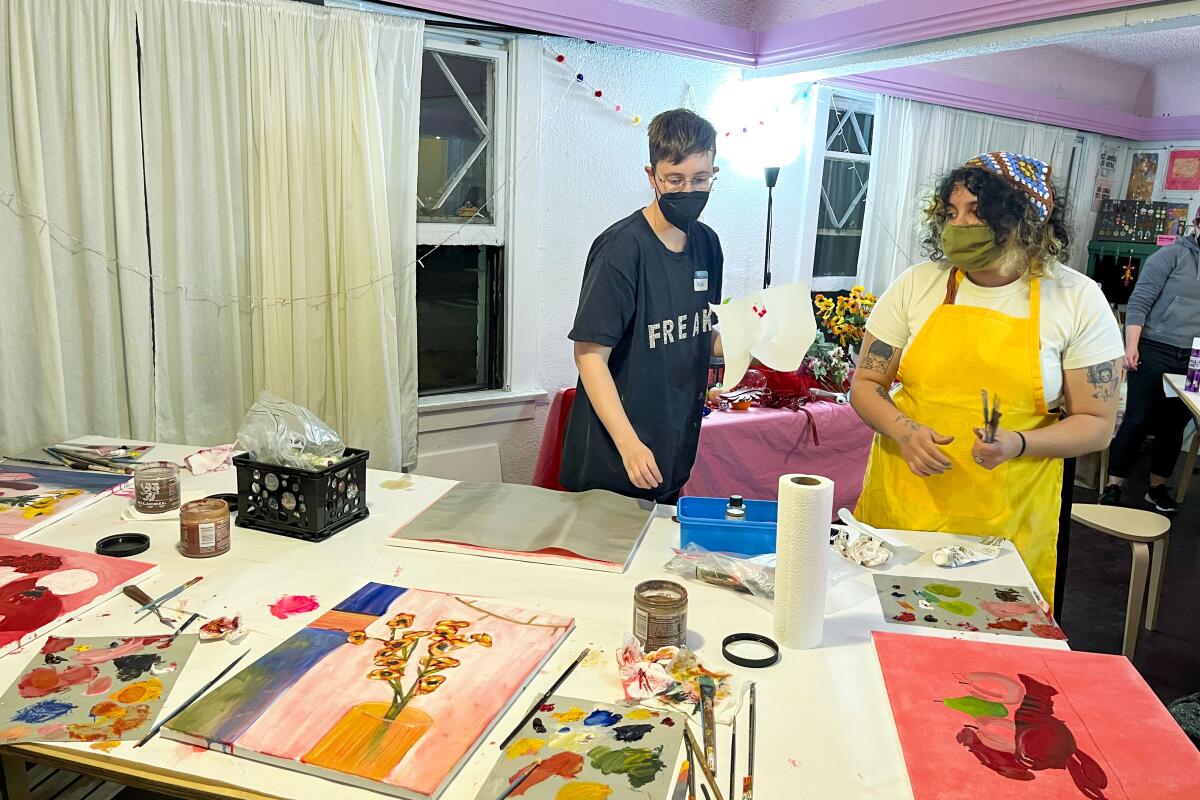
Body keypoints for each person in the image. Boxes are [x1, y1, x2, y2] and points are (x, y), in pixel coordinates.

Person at [850, 153, 1124, 608]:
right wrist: (905, 430)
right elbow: (866, 384)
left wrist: (1017, 443)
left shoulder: (1076, 298)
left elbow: (1096, 421)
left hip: (1008, 524)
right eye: (952, 212)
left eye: (977, 212)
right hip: (903, 510)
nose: (960, 225)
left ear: (1026, 222)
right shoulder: (918, 285)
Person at [559, 108, 723, 505]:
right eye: (675, 179)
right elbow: (589, 356)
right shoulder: (622, 249)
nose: (689, 191)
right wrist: (629, 443)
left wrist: (757, 342)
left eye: (701, 179)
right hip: (615, 457)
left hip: (673, 446)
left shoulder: (708, 245)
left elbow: (698, 329)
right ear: (652, 176)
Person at [1101, 223, 1200, 512]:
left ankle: (1156, 488)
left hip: (1193, 355)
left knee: (1174, 425)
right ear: (1197, 224)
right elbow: (1140, 301)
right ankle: (1113, 485)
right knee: (1137, 418)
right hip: (1155, 346)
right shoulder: (1170, 256)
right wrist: (1131, 345)